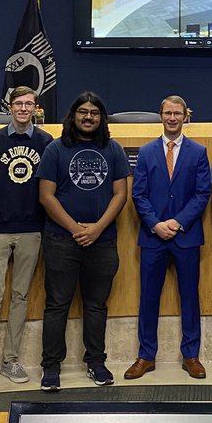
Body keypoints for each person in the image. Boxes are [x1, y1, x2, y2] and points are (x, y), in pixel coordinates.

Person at [37, 91, 129, 391]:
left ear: (101, 118)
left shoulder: (113, 149)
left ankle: (96, 362)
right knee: (57, 305)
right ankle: (51, 368)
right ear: (73, 116)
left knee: (96, 305)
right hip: (60, 240)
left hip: (102, 242)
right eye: (82, 112)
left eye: (94, 112)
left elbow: (120, 195)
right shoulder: (55, 149)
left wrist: (97, 228)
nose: (88, 117)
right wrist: (76, 228)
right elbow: (46, 196)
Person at [127, 95, 212, 380]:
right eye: (168, 113)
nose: (173, 118)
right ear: (160, 116)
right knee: (148, 298)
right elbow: (138, 194)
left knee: (190, 298)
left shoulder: (198, 152)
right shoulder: (147, 151)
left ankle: (191, 355)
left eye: (177, 113)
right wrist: (155, 224)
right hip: (153, 238)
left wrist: (177, 222)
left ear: (185, 116)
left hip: (186, 236)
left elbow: (203, 194)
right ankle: (145, 356)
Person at [0, 86, 53, 387]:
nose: (23, 109)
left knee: (20, 297)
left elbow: (50, 187)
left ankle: (11, 359)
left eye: (28, 104)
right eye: (18, 104)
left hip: (32, 230)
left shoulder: (46, 142)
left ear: (36, 108)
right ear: (9, 107)